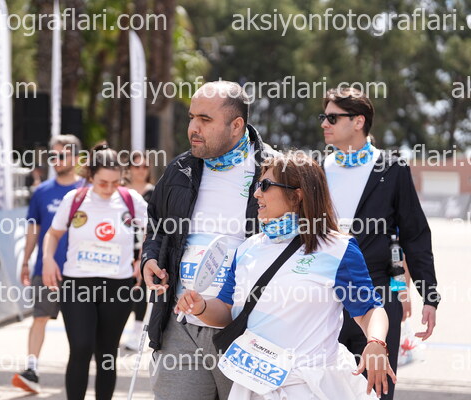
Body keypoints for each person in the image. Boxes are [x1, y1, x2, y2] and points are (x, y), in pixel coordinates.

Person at [176, 152, 396, 399]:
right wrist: (201, 307)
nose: (256, 194)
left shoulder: (338, 249)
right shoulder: (247, 249)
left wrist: (376, 342)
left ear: (297, 195)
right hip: (253, 388)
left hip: (310, 387)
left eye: (265, 186)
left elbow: (369, 309)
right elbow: (226, 310)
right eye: (257, 185)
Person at [142, 81, 274, 400]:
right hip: (180, 322)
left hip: (246, 328)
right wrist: (150, 257)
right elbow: (157, 223)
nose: (193, 128)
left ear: (236, 125)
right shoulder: (180, 169)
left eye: (205, 119)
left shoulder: (275, 171)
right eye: (192, 117)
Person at [319, 87, 439, 400]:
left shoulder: (392, 169)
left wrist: (429, 295)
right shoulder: (317, 170)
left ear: (358, 121)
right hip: (321, 296)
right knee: (322, 390)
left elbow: (413, 235)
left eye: (332, 117)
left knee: (376, 390)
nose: (324, 124)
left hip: (377, 296)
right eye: (323, 117)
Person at [42, 143, 148, 400]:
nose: (109, 188)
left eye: (115, 182)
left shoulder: (131, 200)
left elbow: (152, 232)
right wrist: (47, 259)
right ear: (90, 175)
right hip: (77, 283)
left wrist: (142, 259)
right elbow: (53, 234)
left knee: (107, 354)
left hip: (118, 285)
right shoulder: (75, 199)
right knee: (80, 347)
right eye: (103, 183)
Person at [12, 134, 85, 393]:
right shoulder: (42, 191)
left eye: (62, 155)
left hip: (81, 272)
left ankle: (78, 374)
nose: (56, 160)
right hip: (46, 270)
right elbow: (34, 229)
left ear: (76, 158)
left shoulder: (88, 189)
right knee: (40, 317)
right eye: (53, 155)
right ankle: (31, 370)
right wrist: (25, 261)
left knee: (79, 328)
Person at [123, 151, 154, 351]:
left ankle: (137, 332)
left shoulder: (153, 192)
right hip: (121, 247)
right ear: (129, 169)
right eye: (137, 166)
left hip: (142, 247)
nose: (141, 170)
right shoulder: (120, 192)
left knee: (140, 288)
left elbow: (154, 223)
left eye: (145, 166)